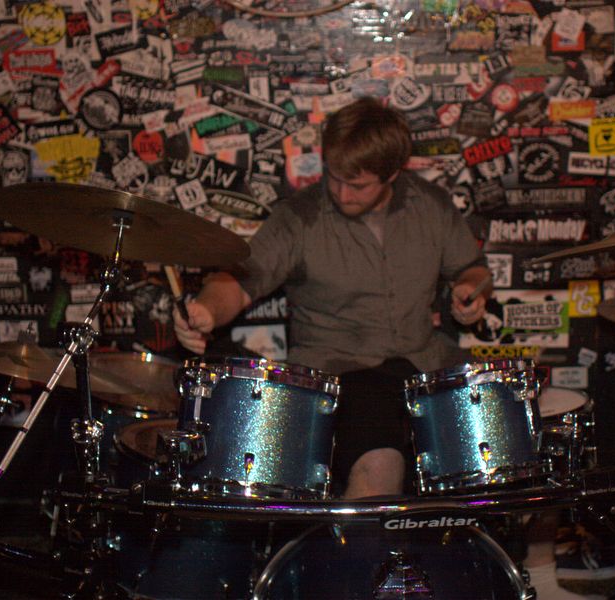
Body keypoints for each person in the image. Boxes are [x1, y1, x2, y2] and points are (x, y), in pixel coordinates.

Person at [173, 97, 490, 499]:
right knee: (380, 464)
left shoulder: (431, 205)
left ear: (392, 174)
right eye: (334, 177)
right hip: (342, 371)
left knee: (509, 438)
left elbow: (473, 270)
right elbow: (239, 281)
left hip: (423, 363)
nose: (341, 192)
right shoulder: (300, 216)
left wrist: (471, 290)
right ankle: (356, 541)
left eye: (357, 185)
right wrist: (206, 310)